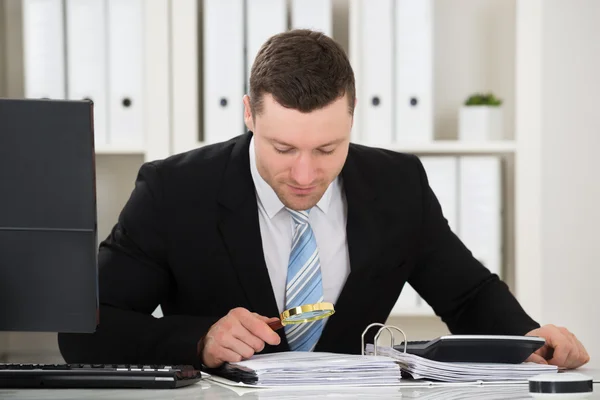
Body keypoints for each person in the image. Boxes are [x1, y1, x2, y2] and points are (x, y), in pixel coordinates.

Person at [58, 29, 589, 370]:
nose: (306, 175)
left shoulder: (397, 183)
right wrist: (197, 340)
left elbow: (468, 297)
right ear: (249, 114)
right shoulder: (173, 190)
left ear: (353, 113)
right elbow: (85, 329)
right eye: (283, 147)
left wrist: (529, 340)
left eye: (328, 148)